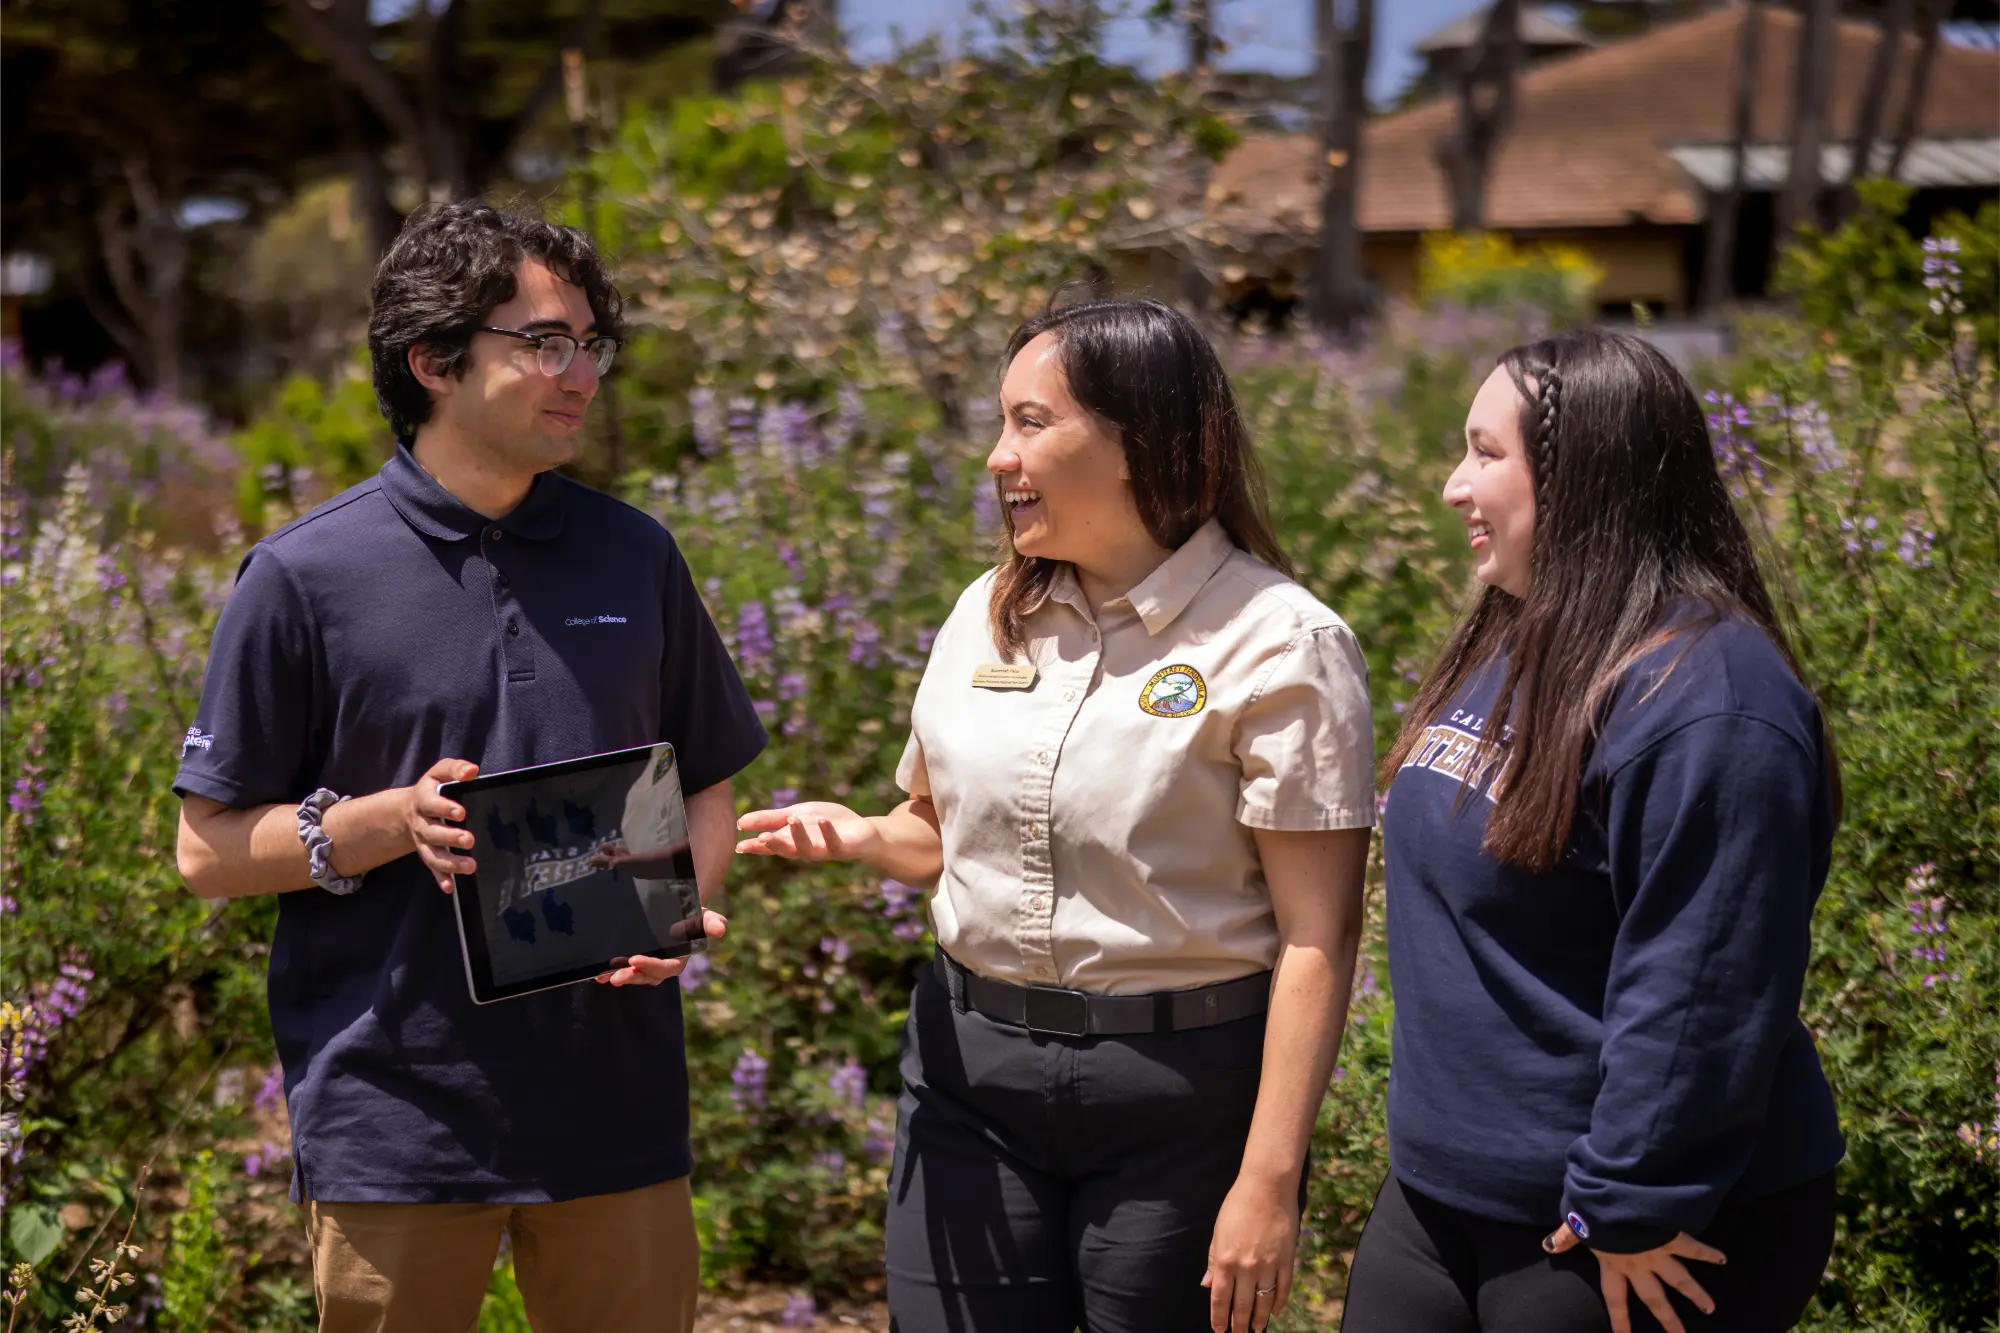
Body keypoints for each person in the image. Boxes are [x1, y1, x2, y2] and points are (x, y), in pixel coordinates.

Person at [172, 201, 767, 1333]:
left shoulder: (633, 552)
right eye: (543, 342)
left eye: (590, 343)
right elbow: (204, 853)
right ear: (433, 360)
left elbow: (704, 779)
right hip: (395, 1123)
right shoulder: (303, 577)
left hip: (616, 1113)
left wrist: (677, 916)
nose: (579, 371)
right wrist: (389, 820)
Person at [735, 299, 1378, 1333]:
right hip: (966, 1081)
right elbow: (934, 830)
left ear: (1137, 441)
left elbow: (1318, 936)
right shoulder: (984, 612)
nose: (998, 457)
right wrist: (863, 835)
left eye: (1030, 422)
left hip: (1180, 1103)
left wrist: (1266, 1181)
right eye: (1002, 423)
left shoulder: (1279, 643)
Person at [1340, 329, 1844, 1333]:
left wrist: (1632, 1198)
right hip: (1442, 1196)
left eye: (1485, 453)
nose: (1451, 485)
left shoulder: (1711, 696)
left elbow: (1701, 978)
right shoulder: (1524, 634)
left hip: (1625, 1227)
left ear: (1581, 479)